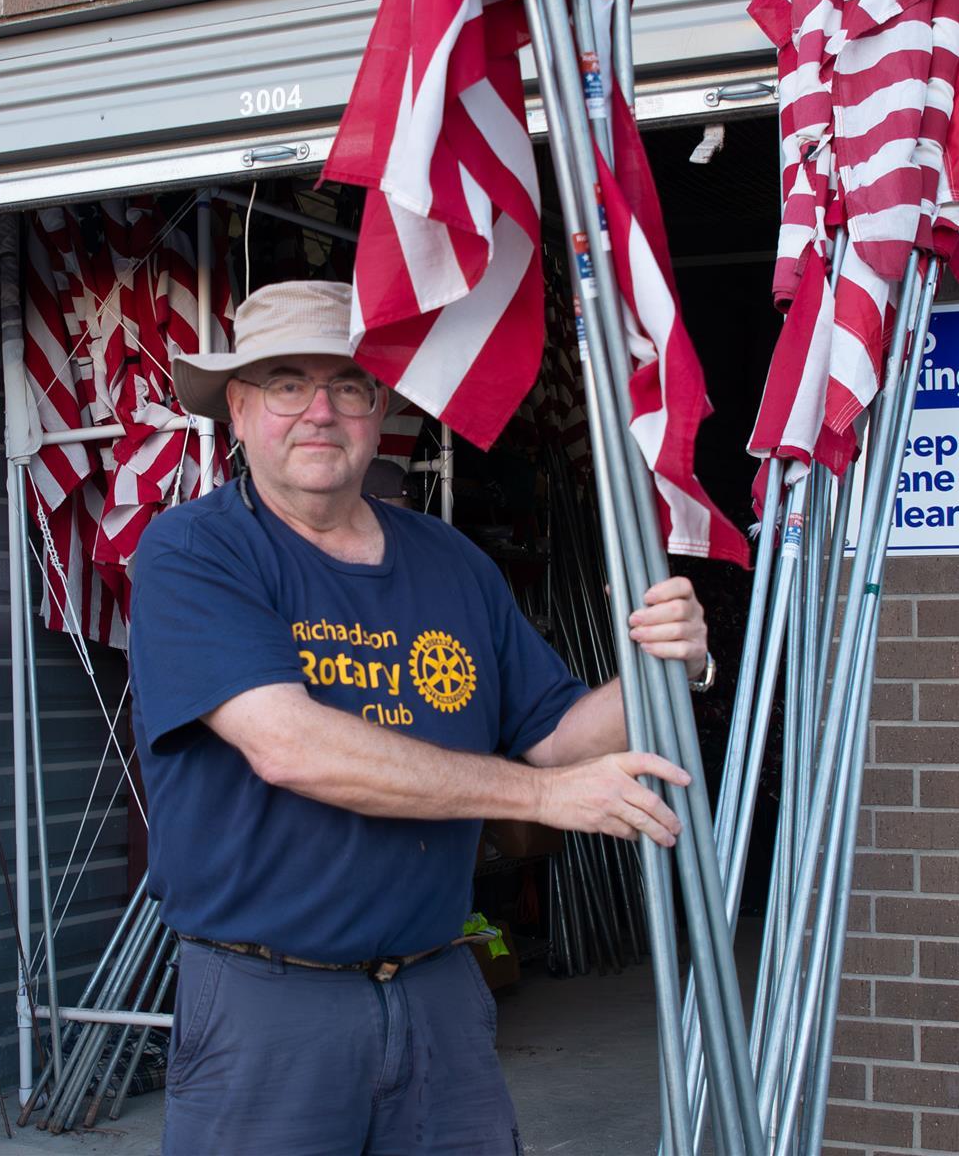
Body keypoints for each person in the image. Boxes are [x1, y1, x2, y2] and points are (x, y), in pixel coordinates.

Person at [130, 281, 718, 1154]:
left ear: (380, 413)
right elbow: (291, 747)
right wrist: (540, 798)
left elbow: (555, 735)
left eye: (350, 386)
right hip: (267, 1009)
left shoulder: (452, 563)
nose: (319, 411)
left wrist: (668, 669)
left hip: (440, 991)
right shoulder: (194, 551)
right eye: (288, 384)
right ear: (242, 410)